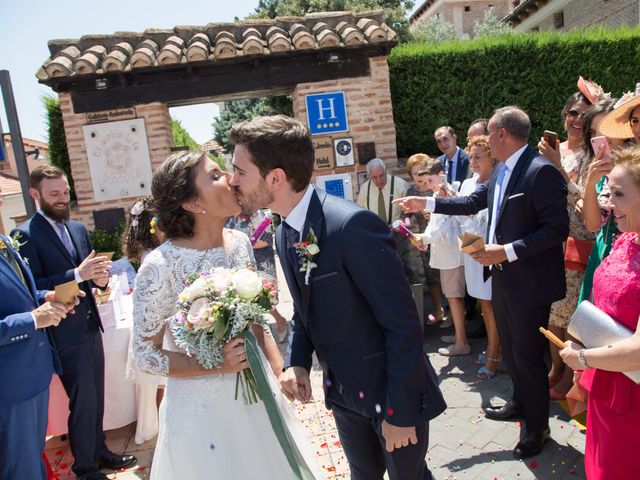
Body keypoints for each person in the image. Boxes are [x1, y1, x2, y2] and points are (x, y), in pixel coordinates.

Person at [229, 115, 446, 480]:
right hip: (344, 397)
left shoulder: (351, 226)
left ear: (276, 178)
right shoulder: (284, 231)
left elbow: (403, 323)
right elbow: (304, 307)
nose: (232, 180)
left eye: (239, 171)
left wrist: (400, 412)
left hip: (390, 394)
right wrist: (296, 360)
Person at [395, 106, 569, 459]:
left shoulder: (541, 171)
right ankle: (521, 404)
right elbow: (474, 200)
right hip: (503, 279)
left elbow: (556, 230)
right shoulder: (504, 169)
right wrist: (427, 201)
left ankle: (538, 428)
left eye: (490, 133)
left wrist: (506, 251)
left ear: (502, 134)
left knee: (528, 357)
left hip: (529, 281)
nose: (487, 140)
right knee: (514, 352)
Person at [132, 151, 319, 479]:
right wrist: (216, 363)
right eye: (216, 175)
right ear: (192, 203)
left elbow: (257, 317)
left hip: (258, 394)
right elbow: (144, 355)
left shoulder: (239, 244)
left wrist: (280, 371)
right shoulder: (160, 267)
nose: (232, 179)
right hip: (203, 415)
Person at [13, 165, 135, 480]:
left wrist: (101, 280)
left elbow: (91, 279)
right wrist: (77, 275)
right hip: (62, 333)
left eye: (65, 191)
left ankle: (100, 452)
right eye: (54, 194)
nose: (62, 198)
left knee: (96, 397)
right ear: (34, 194)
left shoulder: (78, 228)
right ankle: (85, 468)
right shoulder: (23, 235)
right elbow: (32, 288)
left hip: (91, 324)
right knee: (82, 402)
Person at [560, 146, 640, 480]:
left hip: (633, 395)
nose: (609, 203)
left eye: (618, 194)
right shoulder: (625, 241)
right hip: (607, 381)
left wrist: (586, 359)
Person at [0, 191, 70, 479]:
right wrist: (31, 320)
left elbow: (22, 295)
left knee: (33, 458)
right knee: (21, 467)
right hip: (11, 385)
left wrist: (47, 296)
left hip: (34, 373)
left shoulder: (5, 242)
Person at [538, 91, 595, 397]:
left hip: (577, 240)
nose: (576, 119)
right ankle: (556, 368)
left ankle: (571, 375)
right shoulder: (555, 149)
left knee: (570, 310)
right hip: (549, 239)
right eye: (572, 113)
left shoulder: (592, 156)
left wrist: (557, 165)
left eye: (583, 114)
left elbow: (586, 204)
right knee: (551, 309)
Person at [121, 196, 166, 445]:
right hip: (154, 318)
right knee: (157, 381)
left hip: (151, 316)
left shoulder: (144, 250)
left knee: (158, 382)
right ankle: (158, 426)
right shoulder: (154, 255)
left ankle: (156, 424)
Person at [414, 159, 469, 357]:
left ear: (442, 174)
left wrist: (426, 238)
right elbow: (434, 224)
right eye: (426, 182)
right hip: (445, 255)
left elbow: (444, 226)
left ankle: (462, 342)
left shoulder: (450, 194)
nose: (429, 185)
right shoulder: (438, 195)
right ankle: (459, 335)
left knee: (454, 297)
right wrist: (425, 239)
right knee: (452, 296)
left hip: (452, 254)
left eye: (431, 180)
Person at [458, 136, 500, 379]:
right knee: (483, 304)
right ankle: (492, 347)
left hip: (491, 252)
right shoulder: (467, 183)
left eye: (478, 157)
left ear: (491, 157)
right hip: (471, 249)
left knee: (492, 304)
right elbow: (463, 215)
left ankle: (495, 353)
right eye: (471, 157)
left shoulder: (497, 181)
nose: (472, 161)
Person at [225, 209, 290, 342]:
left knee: (265, 301)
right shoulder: (225, 216)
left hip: (259, 262)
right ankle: (258, 336)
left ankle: (280, 321)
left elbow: (266, 240)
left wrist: (239, 245)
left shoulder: (256, 214)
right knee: (246, 303)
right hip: (237, 266)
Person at [402, 153, 445, 326]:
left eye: (421, 171)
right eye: (415, 173)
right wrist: (405, 220)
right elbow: (407, 215)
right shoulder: (411, 192)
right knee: (431, 276)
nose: (419, 176)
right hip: (422, 238)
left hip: (440, 236)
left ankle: (453, 311)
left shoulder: (436, 188)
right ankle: (439, 310)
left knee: (446, 275)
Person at [357, 157, 408, 226]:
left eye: (381, 175)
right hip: (374, 232)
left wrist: (403, 222)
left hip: (398, 230)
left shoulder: (401, 185)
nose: (379, 180)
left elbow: (409, 212)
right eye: (374, 177)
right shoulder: (364, 189)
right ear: (369, 176)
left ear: (386, 171)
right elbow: (360, 213)